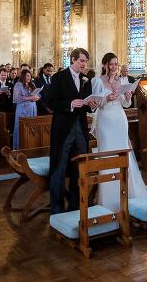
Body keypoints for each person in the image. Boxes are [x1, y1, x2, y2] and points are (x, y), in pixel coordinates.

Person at [91, 53, 147, 211]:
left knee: (123, 153)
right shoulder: (97, 81)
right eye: (111, 64)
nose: (114, 67)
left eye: (116, 64)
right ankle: (108, 197)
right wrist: (106, 99)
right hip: (105, 121)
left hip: (120, 120)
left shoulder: (122, 80)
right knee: (108, 154)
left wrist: (128, 96)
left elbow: (126, 104)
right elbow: (95, 104)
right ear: (105, 65)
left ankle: (128, 192)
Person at [44, 47, 95, 214]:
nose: (84, 64)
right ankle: (57, 209)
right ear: (72, 60)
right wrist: (70, 104)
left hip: (80, 127)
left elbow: (85, 103)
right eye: (81, 61)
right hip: (63, 128)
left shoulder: (85, 79)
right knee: (60, 166)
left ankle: (75, 205)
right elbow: (50, 102)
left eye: (86, 62)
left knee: (79, 166)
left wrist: (91, 105)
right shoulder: (59, 77)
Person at [12, 69, 40, 149]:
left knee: (31, 128)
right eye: (27, 76)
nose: (29, 77)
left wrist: (36, 97)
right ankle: (18, 148)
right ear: (23, 76)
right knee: (21, 128)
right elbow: (17, 98)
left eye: (30, 76)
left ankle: (29, 147)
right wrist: (30, 97)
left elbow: (36, 94)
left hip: (32, 108)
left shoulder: (32, 84)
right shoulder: (18, 85)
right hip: (23, 109)